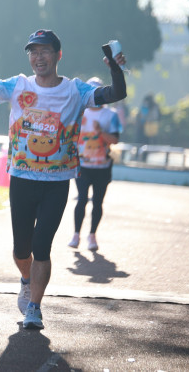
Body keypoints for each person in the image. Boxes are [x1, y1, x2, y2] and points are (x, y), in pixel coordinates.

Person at [0, 28, 127, 329]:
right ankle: (26, 279)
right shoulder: (18, 85)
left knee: (42, 246)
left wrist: (115, 68)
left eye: (45, 51)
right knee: (21, 250)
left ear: (58, 55)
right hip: (22, 178)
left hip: (57, 182)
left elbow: (115, 93)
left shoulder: (75, 90)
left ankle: (35, 308)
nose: (38, 57)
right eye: (33, 52)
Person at [70, 77, 123, 251]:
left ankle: (92, 235)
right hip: (82, 165)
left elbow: (115, 140)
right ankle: (76, 234)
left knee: (98, 202)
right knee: (82, 199)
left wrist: (100, 132)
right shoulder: (78, 112)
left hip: (102, 166)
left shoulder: (110, 115)